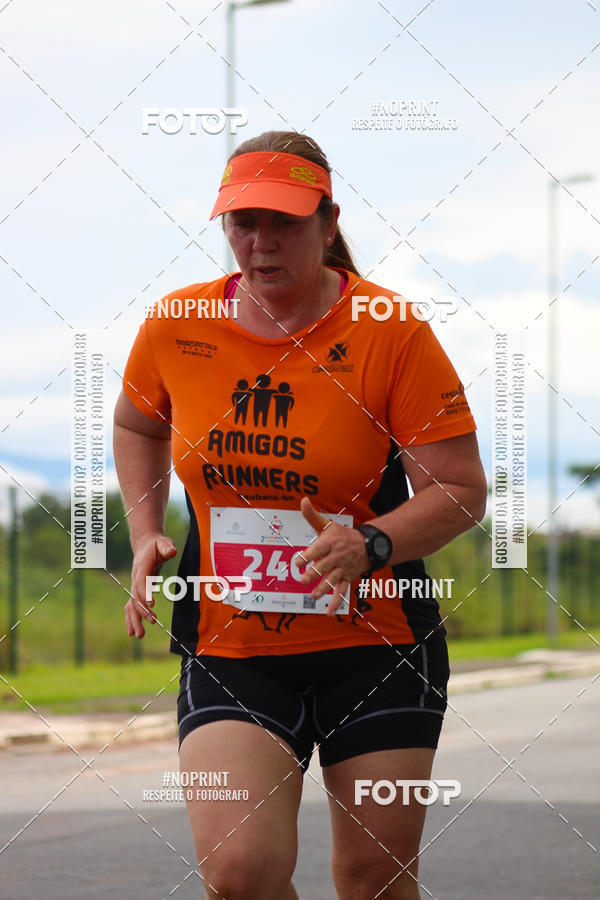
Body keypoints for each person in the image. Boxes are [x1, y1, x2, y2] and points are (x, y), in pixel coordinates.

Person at [114, 130, 487, 900]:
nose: (260, 244)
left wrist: (373, 541)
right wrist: (147, 527)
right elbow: (138, 424)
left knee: (374, 877)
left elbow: (460, 490)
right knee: (239, 873)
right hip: (232, 647)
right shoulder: (176, 326)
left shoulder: (392, 330)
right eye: (242, 223)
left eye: (283, 222)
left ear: (327, 221)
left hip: (380, 646)